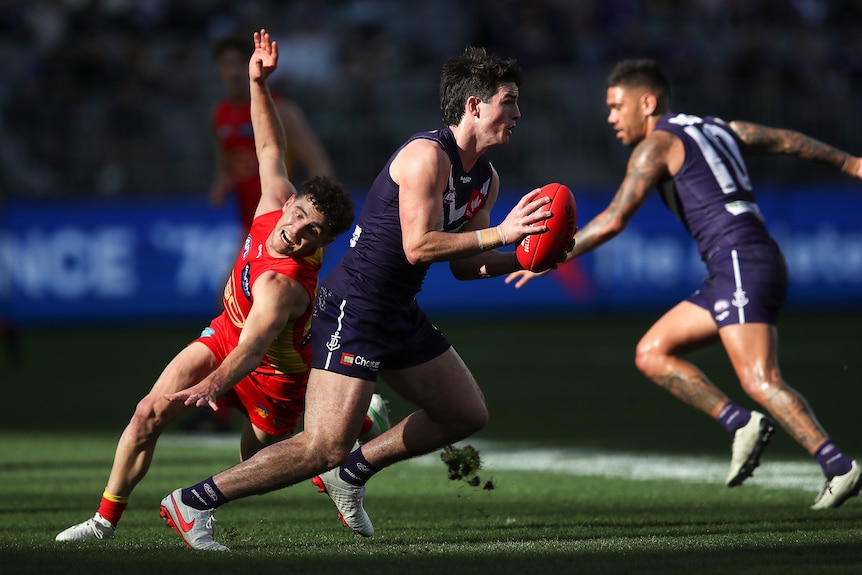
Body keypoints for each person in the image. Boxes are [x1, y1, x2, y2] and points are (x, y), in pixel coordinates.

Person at [158, 41, 566, 551]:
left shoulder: (486, 177)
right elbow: (419, 247)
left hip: (396, 310)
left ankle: (351, 472)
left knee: (465, 413)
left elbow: (463, 264)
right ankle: (193, 500)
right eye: (509, 100)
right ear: (475, 105)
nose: (518, 112)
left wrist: (529, 259)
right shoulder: (425, 158)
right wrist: (505, 236)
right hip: (355, 307)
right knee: (320, 445)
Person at [55, 29, 377, 547]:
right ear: (290, 202)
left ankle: (352, 425)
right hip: (225, 334)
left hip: (274, 373)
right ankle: (103, 523)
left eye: (313, 232)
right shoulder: (273, 199)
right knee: (148, 412)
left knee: (265, 461)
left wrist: (213, 386)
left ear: (324, 239)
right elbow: (269, 144)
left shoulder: (284, 284)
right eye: (298, 217)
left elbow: (254, 348)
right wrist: (258, 82)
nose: (297, 231)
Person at [507, 58, 861, 509]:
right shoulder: (719, 127)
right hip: (736, 265)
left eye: (617, 106)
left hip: (739, 261)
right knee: (652, 353)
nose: (611, 117)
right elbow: (787, 141)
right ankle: (739, 423)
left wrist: (554, 255)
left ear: (647, 102)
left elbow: (614, 219)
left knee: (760, 378)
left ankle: (839, 467)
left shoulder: (655, 146)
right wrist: (850, 163)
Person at [210, 32, 334, 232]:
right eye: (227, 64)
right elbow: (225, 158)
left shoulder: (281, 111)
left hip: (280, 223)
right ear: (218, 69)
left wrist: (316, 215)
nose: (234, 72)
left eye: (240, 63)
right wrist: (221, 183)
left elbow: (319, 165)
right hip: (249, 223)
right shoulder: (219, 115)